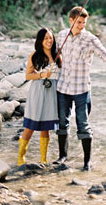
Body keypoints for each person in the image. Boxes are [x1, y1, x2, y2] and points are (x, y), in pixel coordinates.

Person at [55, 5, 106, 170]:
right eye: (79, 22)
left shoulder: (90, 39)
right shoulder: (61, 35)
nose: (82, 25)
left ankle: (87, 162)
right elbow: (54, 55)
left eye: (84, 23)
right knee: (62, 123)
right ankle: (62, 157)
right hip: (62, 88)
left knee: (83, 124)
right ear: (71, 20)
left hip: (82, 89)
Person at [17, 27, 61, 166]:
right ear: (40, 40)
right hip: (37, 91)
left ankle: (43, 158)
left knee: (45, 127)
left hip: (51, 92)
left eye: (51, 38)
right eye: (46, 38)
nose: (49, 41)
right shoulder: (35, 55)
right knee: (30, 125)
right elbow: (28, 75)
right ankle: (21, 156)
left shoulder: (57, 55)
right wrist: (42, 75)